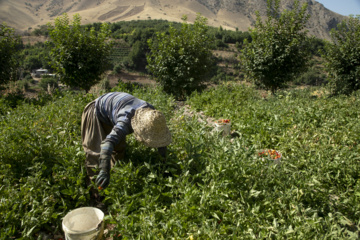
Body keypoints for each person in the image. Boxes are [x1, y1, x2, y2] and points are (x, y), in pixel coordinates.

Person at [81, 92, 172, 190]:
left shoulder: (153, 115)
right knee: (95, 153)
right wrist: (104, 170)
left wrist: (164, 163)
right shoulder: (126, 121)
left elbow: (161, 141)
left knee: (119, 150)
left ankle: (114, 183)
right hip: (96, 111)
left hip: (114, 110)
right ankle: (96, 191)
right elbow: (107, 143)